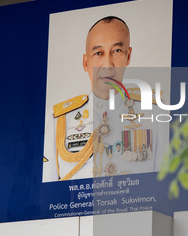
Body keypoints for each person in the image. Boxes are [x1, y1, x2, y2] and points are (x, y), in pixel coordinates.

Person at [43, 16, 166, 182]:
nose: (108, 64)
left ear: (128, 56)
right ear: (86, 62)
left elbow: (165, 189)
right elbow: (48, 194)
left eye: (116, 51)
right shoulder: (61, 121)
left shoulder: (156, 115)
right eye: (98, 53)